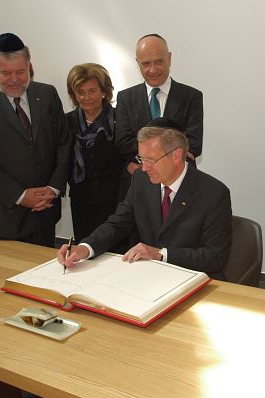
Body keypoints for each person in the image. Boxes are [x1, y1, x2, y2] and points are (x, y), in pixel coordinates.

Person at [57, 119, 231, 280]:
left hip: (193, 280)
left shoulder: (214, 193)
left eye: (151, 160)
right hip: (147, 278)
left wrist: (161, 254)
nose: (144, 167)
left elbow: (215, 257)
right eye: (141, 158)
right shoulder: (141, 180)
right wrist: (85, 248)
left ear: (177, 155)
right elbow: (118, 224)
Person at [0, 33, 71, 247]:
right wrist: (20, 196)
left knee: (47, 266)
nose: (14, 79)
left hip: (45, 210)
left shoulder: (47, 94)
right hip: (5, 214)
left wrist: (53, 188)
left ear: (30, 66)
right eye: (6, 73)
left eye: (20, 71)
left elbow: (64, 143)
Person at [115, 34, 203, 202]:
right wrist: (155, 162)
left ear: (169, 58)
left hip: (180, 186)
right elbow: (122, 142)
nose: (153, 69)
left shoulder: (192, 96)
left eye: (159, 61)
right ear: (137, 63)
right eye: (146, 63)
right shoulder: (125, 98)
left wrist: (149, 163)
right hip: (137, 186)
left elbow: (193, 143)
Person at [65, 63, 124, 242]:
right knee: (84, 246)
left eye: (92, 91)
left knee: (115, 247)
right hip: (81, 200)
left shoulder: (120, 119)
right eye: (80, 92)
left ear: (104, 91)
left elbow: (135, 153)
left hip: (115, 200)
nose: (86, 97)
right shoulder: (66, 122)